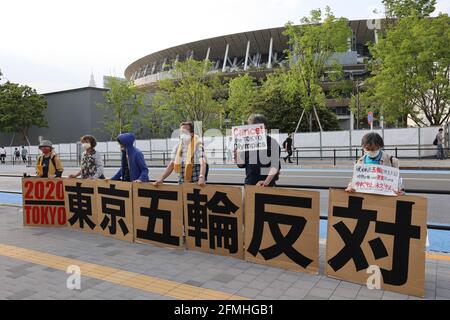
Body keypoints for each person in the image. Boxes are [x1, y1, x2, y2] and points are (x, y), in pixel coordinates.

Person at [154, 122, 207, 186]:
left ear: (192, 133)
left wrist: (201, 177)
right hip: (181, 183)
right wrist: (161, 179)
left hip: (196, 183)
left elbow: (203, 162)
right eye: (181, 132)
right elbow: (172, 164)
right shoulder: (177, 147)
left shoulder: (197, 145)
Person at [234, 114, 281, 187]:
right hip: (249, 184)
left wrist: (266, 181)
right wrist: (237, 155)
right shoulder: (246, 142)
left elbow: (275, 166)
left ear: (263, 126)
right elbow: (241, 165)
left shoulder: (272, 142)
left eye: (252, 126)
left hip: (267, 185)